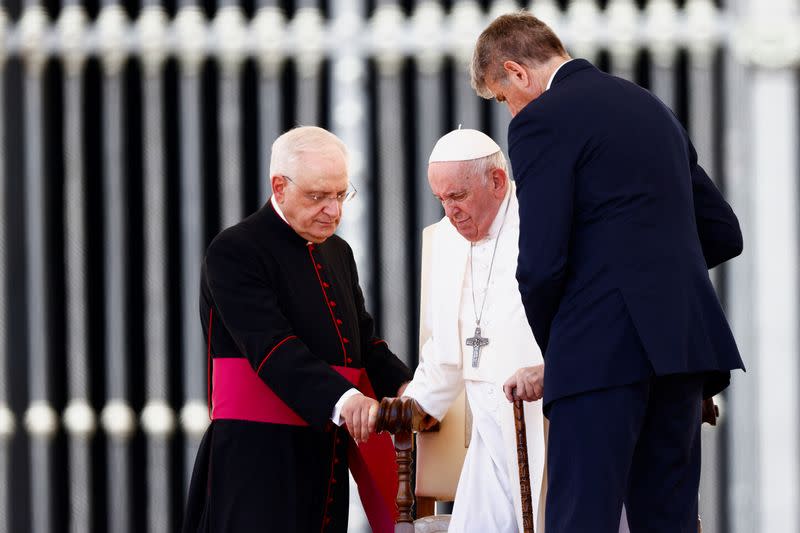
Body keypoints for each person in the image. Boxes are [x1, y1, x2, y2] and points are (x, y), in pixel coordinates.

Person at [471, 12, 744, 533]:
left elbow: (542, 263)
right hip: (681, 348)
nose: (510, 108)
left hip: (599, 353)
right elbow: (722, 231)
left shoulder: (541, 119)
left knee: (582, 518)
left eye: (503, 96)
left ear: (517, 72)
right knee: (669, 520)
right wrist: (649, 275)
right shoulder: (651, 108)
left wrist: (566, 349)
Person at [182, 126, 412, 533]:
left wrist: (408, 387)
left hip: (322, 453)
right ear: (279, 186)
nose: (333, 211)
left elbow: (365, 342)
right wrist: (345, 400)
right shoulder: (236, 250)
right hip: (256, 460)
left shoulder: (337, 251)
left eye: (341, 195)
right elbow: (272, 347)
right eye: (318, 196)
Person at [401, 128, 629, 532]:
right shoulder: (445, 241)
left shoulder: (547, 223)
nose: (450, 212)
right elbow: (444, 345)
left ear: (497, 181)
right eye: (441, 199)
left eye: (458, 196)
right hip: (488, 424)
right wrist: (412, 404)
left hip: (546, 414)